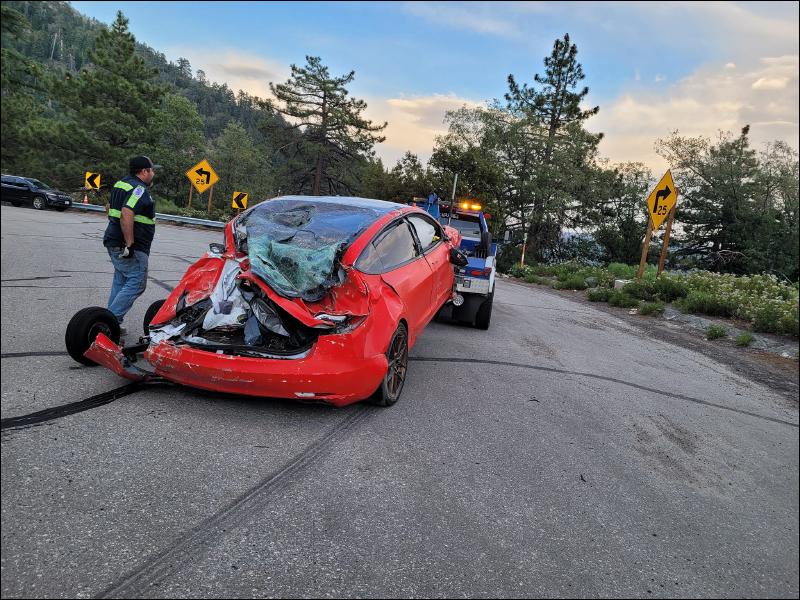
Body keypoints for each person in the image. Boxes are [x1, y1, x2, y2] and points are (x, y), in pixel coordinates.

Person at [103, 155, 160, 335]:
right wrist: (130, 243)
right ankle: (106, 325)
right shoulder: (139, 190)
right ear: (144, 172)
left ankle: (113, 323)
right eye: (151, 170)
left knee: (120, 282)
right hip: (129, 245)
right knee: (137, 283)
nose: (153, 174)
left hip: (114, 241)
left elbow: (108, 207)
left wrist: (116, 228)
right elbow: (127, 212)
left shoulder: (121, 184)